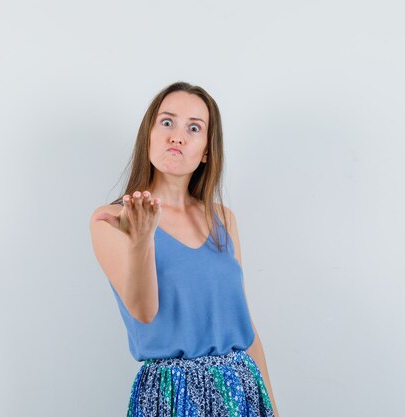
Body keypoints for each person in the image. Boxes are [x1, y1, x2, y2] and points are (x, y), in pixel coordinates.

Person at [89, 81, 280, 417]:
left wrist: (274, 410)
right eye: (167, 122)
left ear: (207, 150)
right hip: (171, 396)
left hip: (240, 390)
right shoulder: (113, 219)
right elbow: (144, 312)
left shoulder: (223, 219)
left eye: (194, 128)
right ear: (148, 134)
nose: (177, 136)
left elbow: (245, 328)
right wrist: (142, 239)